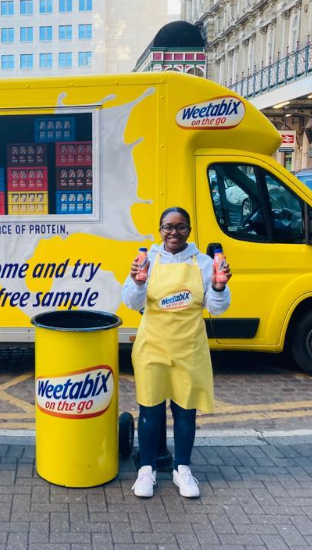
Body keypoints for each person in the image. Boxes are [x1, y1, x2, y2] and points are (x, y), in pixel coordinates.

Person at [120, 207, 230, 499]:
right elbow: (131, 302)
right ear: (160, 230)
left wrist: (219, 287)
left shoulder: (204, 264)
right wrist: (137, 282)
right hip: (152, 346)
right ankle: (146, 470)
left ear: (189, 230)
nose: (174, 233)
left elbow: (217, 309)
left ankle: (183, 469)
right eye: (168, 227)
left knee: (185, 413)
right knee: (149, 411)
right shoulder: (148, 261)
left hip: (189, 347)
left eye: (180, 227)